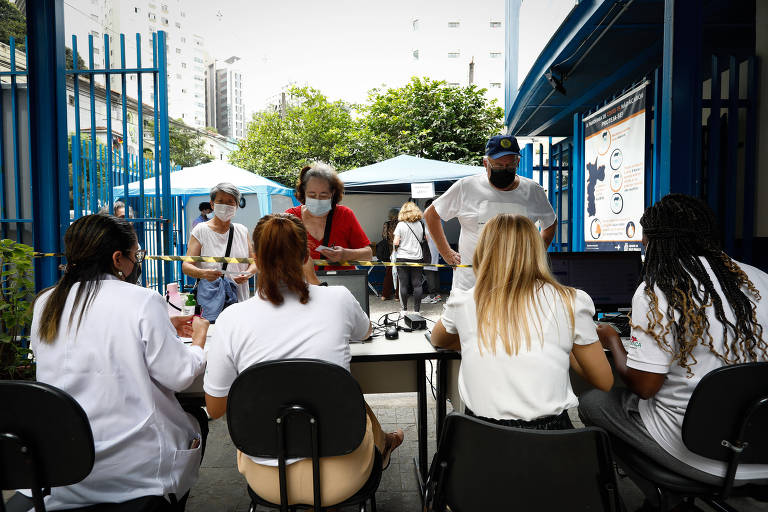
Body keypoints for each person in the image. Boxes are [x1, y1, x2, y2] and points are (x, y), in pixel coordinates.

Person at [11, 214, 210, 511]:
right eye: (136, 255)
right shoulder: (142, 300)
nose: (137, 262)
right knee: (195, 417)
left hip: (62, 465)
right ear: (118, 259)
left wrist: (161, 322)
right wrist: (198, 343)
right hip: (134, 468)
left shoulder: (47, 302)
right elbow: (179, 375)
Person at [203, 214, 404, 507]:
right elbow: (366, 331)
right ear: (306, 255)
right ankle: (383, 444)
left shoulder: (231, 319)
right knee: (348, 397)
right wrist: (313, 281)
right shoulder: (338, 299)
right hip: (342, 476)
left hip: (267, 479)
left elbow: (216, 408)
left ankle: (384, 441)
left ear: (255, 257)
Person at [579, 194, 768, 503]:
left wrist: (613, 340)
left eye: (644, 240)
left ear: (657, 241)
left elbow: (645, 386)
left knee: (595, 402)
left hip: (699, 454)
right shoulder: (758, 278)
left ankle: (663, 500)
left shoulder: (660, 290)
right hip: (760, 448)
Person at [431, 214, 613, 430]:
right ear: (536, 251)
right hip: (553, 443)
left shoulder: (464, 301)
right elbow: (604, 381)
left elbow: (438, 339)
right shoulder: (572, 301)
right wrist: (568, 343)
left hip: (479, 440)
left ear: (483, 252)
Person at [424, 134, 557, 292]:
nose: (504, 170)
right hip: (471, 284)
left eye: (509, 166)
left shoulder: (533, 190)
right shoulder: (466, 187)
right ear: (485, 163)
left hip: (516, 285)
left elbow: (550, 222)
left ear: (518, 163)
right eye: (498, 165)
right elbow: (431, 215)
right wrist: (447, 253)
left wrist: (536, 255)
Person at [286, 162, 371, 284]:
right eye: (312, 195)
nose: (317, 199)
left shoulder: (345, 214)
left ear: (333, 193)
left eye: (323, 195)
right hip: (301, 287)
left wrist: (345, 254)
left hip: (340, 286)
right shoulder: (290, 217)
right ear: (303, 192)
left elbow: (368, 254)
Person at [183, 182, 257, 302]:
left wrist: (247, 273)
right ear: (212, 204)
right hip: (211, 302)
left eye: (230, 202)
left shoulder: (242, 231)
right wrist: (203, 273)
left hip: (239, 301)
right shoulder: (201, 230)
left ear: (237, 205)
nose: (225, 205)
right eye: (220, 201)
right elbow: (186, 266)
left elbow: (254, 262)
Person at [393, 201, 427, 313]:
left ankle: (404, 310)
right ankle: (417, 310)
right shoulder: (420, 224)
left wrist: (395, 248)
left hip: (403, 257)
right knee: (417, 284)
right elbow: (425, 239)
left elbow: (396, 242)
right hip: (417, 257)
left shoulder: (400, 225)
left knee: (403, 284)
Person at [421, 198, 441, 303]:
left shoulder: (427, 219)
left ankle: (433, 295)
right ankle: (436, 294)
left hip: (428, 249)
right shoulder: (437, 218)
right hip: (435, 249)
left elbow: (426, 236)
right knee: (434, 271)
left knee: (429, 272)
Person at [380, 207, 400, 300]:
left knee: (388, 273)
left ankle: (385, 295)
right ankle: (397, 296)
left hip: (388, 251)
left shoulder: (386, 224)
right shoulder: (401, 224)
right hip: (399, 251)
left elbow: (383, 237)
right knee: (399, 273)